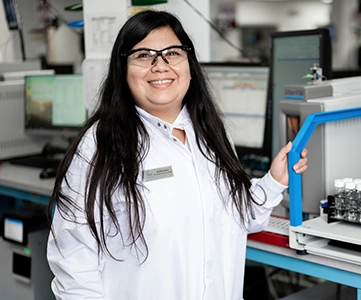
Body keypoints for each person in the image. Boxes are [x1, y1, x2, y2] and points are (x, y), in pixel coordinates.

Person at [46, 9, 308, 300]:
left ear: (189, 64)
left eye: (172, 53)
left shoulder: (211, 134)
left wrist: (273, 180)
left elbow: (238, 215)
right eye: (144, 55)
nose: (160, 66)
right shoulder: (99, 144)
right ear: (123, 69)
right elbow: (73, 262)